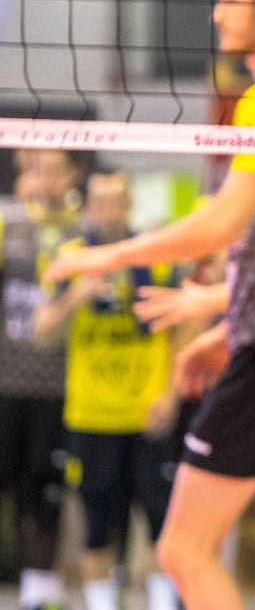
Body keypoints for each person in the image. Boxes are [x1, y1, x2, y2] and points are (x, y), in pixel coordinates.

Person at [47, 0, 255, 610]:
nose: (215, 14)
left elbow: (223, 224)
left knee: (183, 550)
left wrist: (103, 255)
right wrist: (222, 314)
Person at [33, 170, 185, 610]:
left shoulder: (155, 255)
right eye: (99, 202)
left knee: (159, 516)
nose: (107, 211)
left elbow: (180, 330)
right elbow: (42, 333)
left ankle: (162, 602)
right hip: (91, 414)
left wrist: (170, 394)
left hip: (145, 412)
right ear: (88, 206)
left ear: (130, 205)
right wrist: (75, 296)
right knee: (97, 520)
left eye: (115, 201)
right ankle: (102, 603)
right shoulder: (71, 257)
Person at [0, 147, 86, 610]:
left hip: (58, 385)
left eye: (53, 170)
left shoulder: (84, 231)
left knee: (45, 486)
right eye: (36, 169)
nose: (44, 179)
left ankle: (39, 591)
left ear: (72, 174)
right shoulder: (9, 222)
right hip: (5, 380)